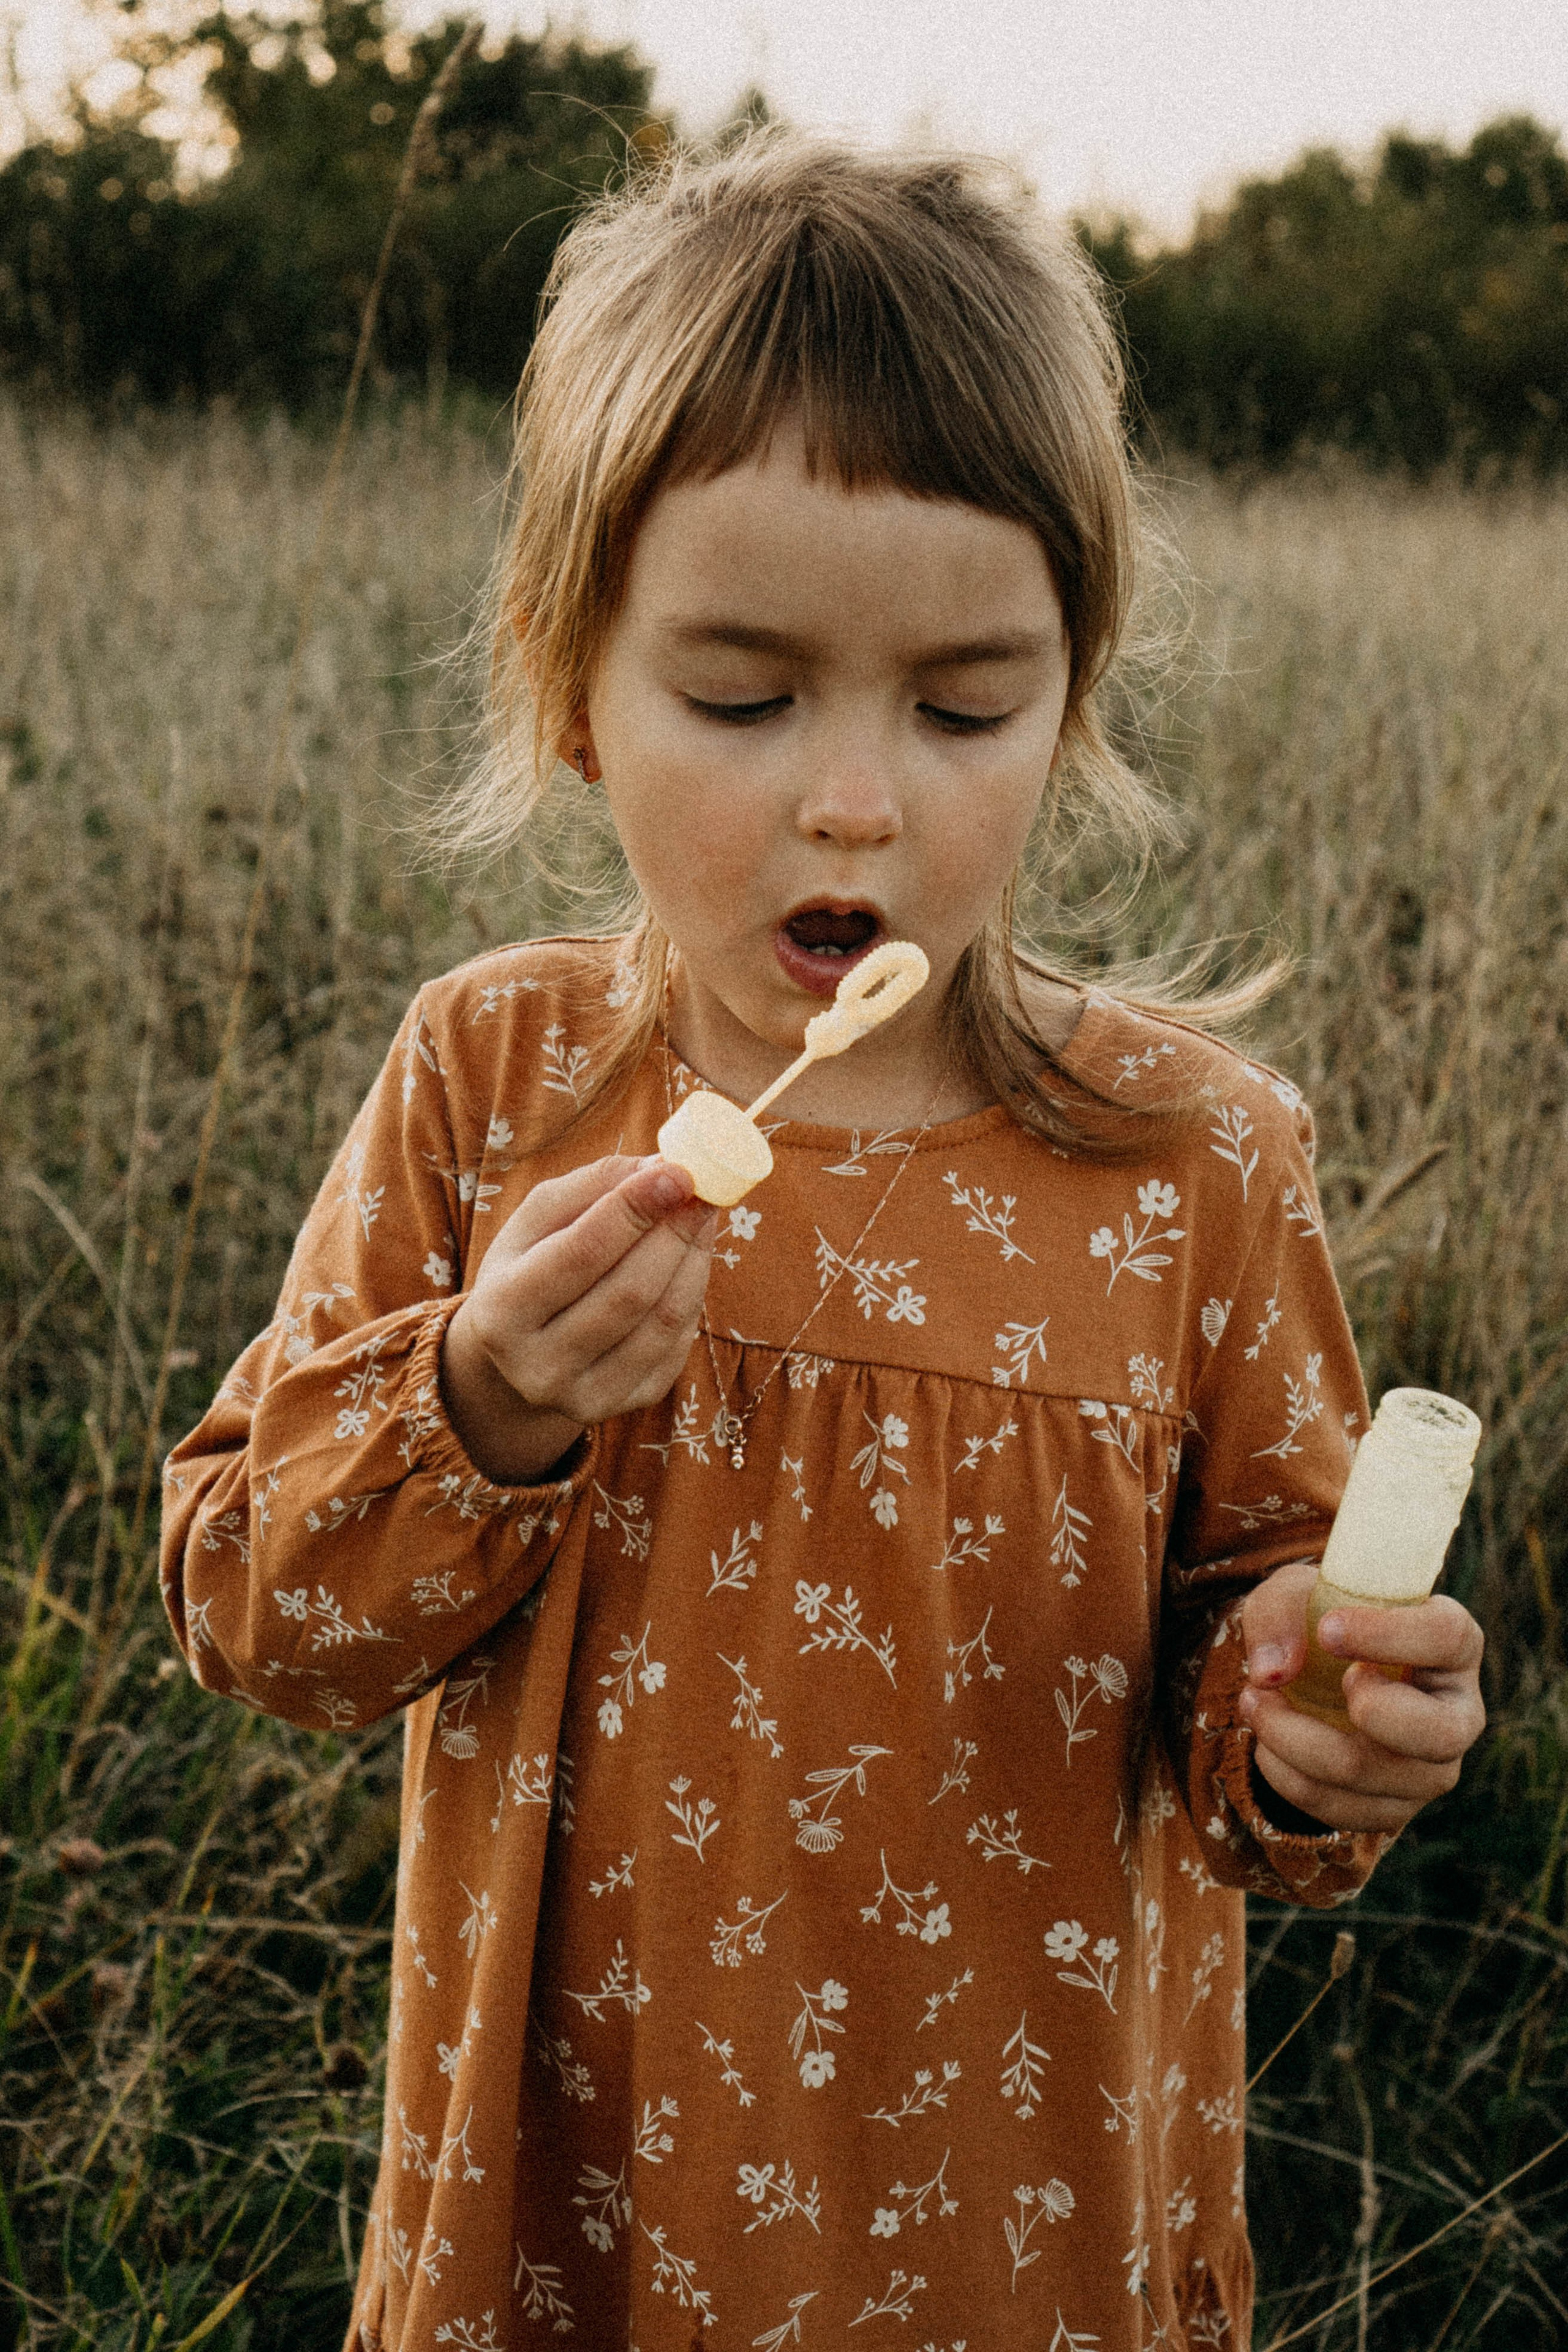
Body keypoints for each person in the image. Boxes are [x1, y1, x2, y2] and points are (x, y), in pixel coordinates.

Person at [160, 132, 1486, 2352]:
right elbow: (253, 1613)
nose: (855, 798)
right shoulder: (494, 1084)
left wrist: (1314, 1714)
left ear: (1070, 711)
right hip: (577, 2236)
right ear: (572, 691)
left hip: (1018, 2243)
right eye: (742, 697)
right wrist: (481, 1398)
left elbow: (1266, 1724)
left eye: (964, 708)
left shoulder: (1194, 1165)